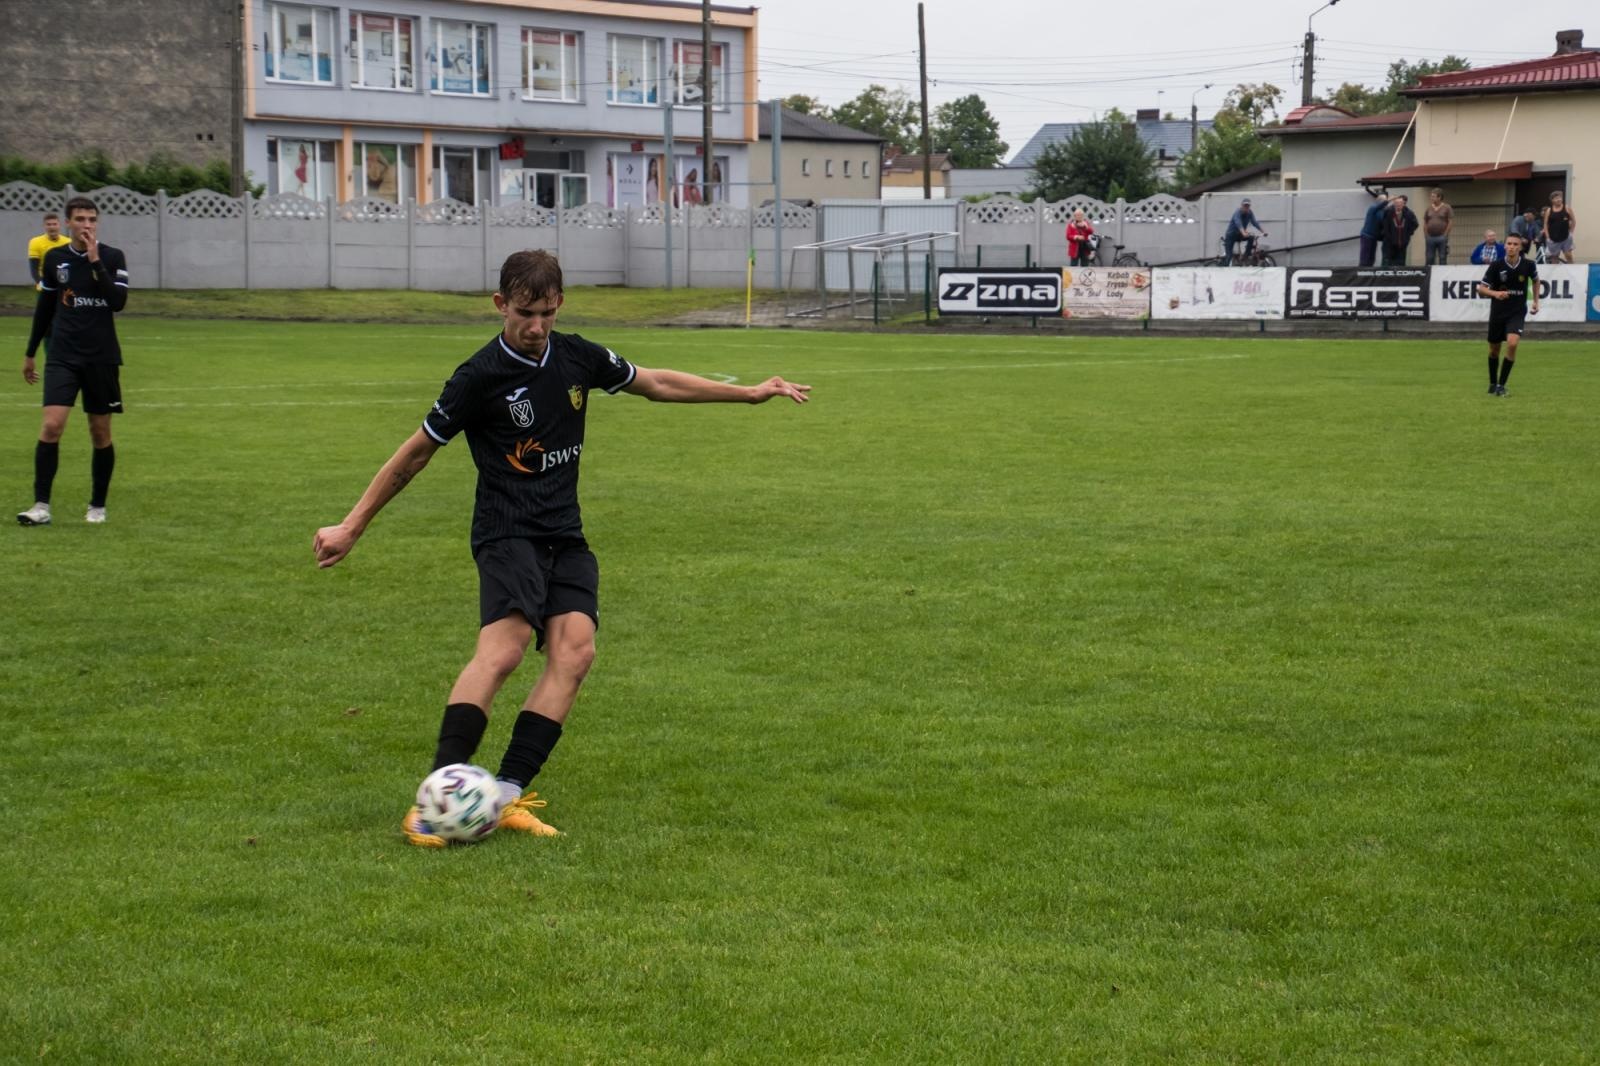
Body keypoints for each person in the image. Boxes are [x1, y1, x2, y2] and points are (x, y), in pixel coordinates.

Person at [311, 250, 811, 847]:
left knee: (576, 653)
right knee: (504, 652)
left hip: (563, 534)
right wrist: (352, 525)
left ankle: (503, 797)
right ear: (500, 305)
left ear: (560, 306)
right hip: (506, 533)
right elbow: (415, 452)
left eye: (547, 313)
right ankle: (436, 798)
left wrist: (750, 394)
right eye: (525, 313)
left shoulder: (577, 355)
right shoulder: (477, 377)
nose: (536, 326)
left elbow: (654, 382)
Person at [17, 197, 129, 527]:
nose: (87, 225)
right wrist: (30, 352)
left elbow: (118, 302)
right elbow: (45, 308)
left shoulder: (111, 257)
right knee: (52, 426)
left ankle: (97, 505)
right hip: (63, 355)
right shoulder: (55, 259)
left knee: (99, 433)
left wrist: (95, 263)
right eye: (80, 219)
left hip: (101, 357)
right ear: (68, 223)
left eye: (92, 219)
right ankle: (40, 506)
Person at [1476, 232, 1539, 397]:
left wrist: (1536, 302)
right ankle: (1492, 383)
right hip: (1498, 313)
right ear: (1505, 246)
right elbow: (1481, 288)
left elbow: (1536, 280)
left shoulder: (1528, 265)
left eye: (1515, 244)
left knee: (1512, 344)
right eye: (1509, 244)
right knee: (1494, 350)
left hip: (1517, 312)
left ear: (1520, 247)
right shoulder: (1496, 266)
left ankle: (1501, 386)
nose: (1511, 247)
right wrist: (1496, 294)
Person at [26, 211, 71, 359]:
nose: (52, 227)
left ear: (60, 225)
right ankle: (50, 356)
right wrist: (42, 283)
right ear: (44, 226)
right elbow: (34, 268)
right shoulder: (35, 242)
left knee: (67, 321)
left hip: (63, 290)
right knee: (47, 325)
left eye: (54, 224)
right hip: (45, 290)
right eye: (49, 224)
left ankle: (67, 353)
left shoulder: (67, 242)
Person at [1378, 194, 1419, 267]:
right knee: (1388, 262)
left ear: (1403, 204)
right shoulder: (1388, 212)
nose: (1398, 206)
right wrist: (1388, 237)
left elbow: (1415, 224)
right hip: (1389, 243)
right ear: (1394, 204)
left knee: (1400, 262)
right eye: (1396, 204)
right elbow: (1383, 225)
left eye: (1400, 204)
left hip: (1402, 243)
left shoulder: (1408, 213)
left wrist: (1407, 234)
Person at [1222, 198, 1266, 265]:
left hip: (1239, 234)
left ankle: (1245, 256)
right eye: (1245, 206)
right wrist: (1243, 232)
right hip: (1231, 235)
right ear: (1241, 206)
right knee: (1229, 256)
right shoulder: (1237, 212)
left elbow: (1254, 222)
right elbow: (1238, 223)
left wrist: (1263, 231)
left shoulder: (1250, 213)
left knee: (1251, 237)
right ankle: (1223, 270)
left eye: (1248, 206)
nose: (1246, 207)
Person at [1541, 190, 1577, 264]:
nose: (1559, 199)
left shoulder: (1567, 208)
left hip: (1566, 237)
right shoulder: (1549, 210)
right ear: (1552, 200)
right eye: (1556, 198)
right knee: (1554, 257)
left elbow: (1573, 221)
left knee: (1568, 255)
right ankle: (1555, 274)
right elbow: (1545, 224)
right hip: (1553, 238)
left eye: (1560, 197)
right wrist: (1547, 237)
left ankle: (1573, 272)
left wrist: (1571, 232)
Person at [1358, 191, 1390, 267]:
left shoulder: (1383, 211)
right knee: (1365, 257)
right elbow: (1381, 205)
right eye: (1383, 200)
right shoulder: (1372, 208)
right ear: (1379, 201)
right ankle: (1362, 272)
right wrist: (1387, 200)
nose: (1385, 202)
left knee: (1371, 257)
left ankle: (1369, 272)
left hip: (1374, 237)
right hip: (1367, 236)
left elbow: (1382, 224)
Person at [1422, 187, 1453, 265]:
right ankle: (1429, 275)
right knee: (1429, 258)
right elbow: (1425, 221)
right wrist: (1426, 235)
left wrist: (1445, 235)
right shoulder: (1428, 208)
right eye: (1431, 196)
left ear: (1439, 197)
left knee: (1442, 257)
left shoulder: (1447, 207)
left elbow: (1450, 222)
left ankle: (1442, 276)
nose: (1431, 198)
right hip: (1430, 237)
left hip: (1442, 237)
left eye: (1433, 196)